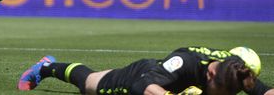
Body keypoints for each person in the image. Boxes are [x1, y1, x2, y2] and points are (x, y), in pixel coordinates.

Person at [18, 46, 274, 95]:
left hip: (168, 82)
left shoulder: (234, 72)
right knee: (90, 85)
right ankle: (46, 67)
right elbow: (142, 87)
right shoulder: (185, 63)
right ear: (211, 77)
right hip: (146, 76)